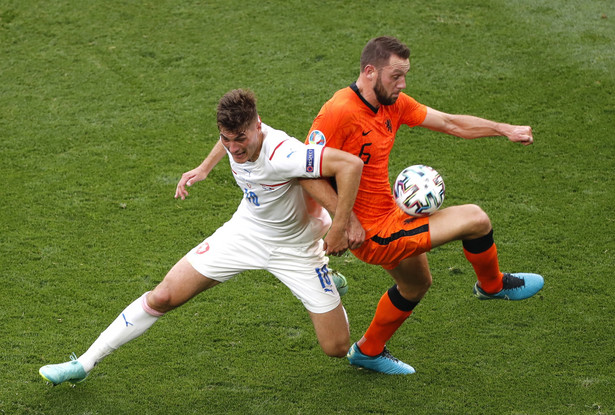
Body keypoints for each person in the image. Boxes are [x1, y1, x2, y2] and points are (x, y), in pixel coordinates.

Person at [39, 88, 364, 386]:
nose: (234, 148)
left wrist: (339, 228)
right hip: (245, 233)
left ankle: (325, 277)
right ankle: (84, 363)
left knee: (335, 347)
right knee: (163, 296)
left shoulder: (285, 154)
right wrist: (205, 166)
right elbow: (228, 142)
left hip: (296, 250)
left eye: (240, 139)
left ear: (258, 126)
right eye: (226, 139)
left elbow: (349, 166)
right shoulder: (233, 140)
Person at [302, 36, 544, 375]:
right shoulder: (339, 111)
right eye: (395, 76)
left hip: (391, 216)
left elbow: (450, 123)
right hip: (371, 233)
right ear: (370, 72)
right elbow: (304, 171)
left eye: (405, 75)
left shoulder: (392, 104)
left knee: (416, 284)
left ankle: (368, 351)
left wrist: (504, 130)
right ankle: (493, 285)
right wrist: (345, 223)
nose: (402, 84)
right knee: (475, 218)